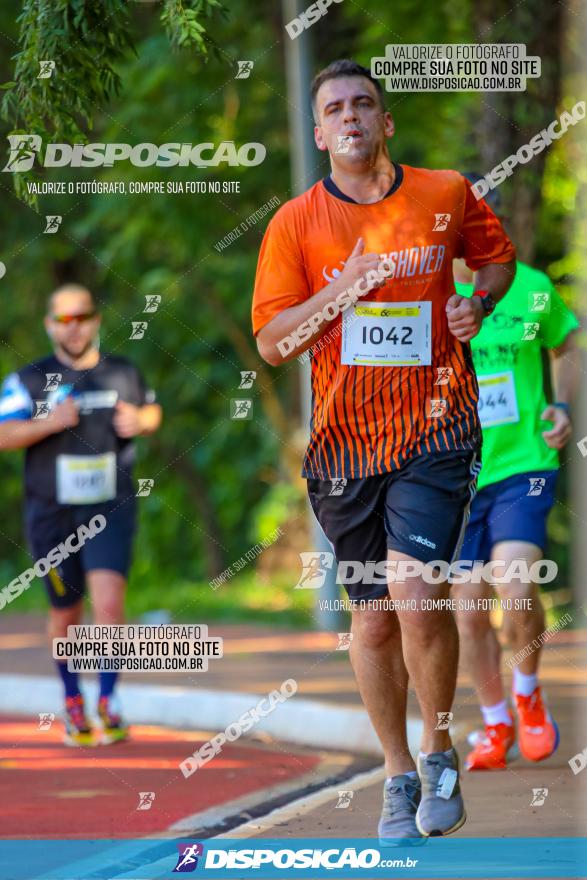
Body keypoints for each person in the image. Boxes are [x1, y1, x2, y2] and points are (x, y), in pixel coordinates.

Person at [251, 59, 516, 841]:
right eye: (334, 108)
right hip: (343, 448)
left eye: (363, 103)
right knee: (371, 624)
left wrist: (475, 301)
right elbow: (272, 344)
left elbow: (494, 259)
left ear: (385, 121)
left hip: (437, 427)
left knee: (414, 589)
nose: (350, 117)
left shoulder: (444, 193)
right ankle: (398, 772)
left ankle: (439, 750)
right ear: (317, 131)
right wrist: (345, 288)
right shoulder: (294, 224)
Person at [453, 176, 580, 771]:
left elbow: (568, 344)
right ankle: (495, 721)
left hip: (524, 461)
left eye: (486, 226)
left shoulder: (529, 289)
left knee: (515, 583)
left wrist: (563, 407)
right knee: (467, 610)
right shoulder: (426, 294)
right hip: (452, 473)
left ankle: (527, 693)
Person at [0, 283, 162, 746]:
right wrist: (51, 421)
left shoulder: (122, 372)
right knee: (66, 613)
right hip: (51, 514)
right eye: (63, 319)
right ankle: (73, 699)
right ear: (50, 324)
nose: (74, 327)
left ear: (96, 320)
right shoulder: (29, 379)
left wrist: (143, 421)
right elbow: (3, 433)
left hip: (109, 506)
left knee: (108, 604)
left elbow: (152, 410)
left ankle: (108, 700)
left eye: (82, 317)